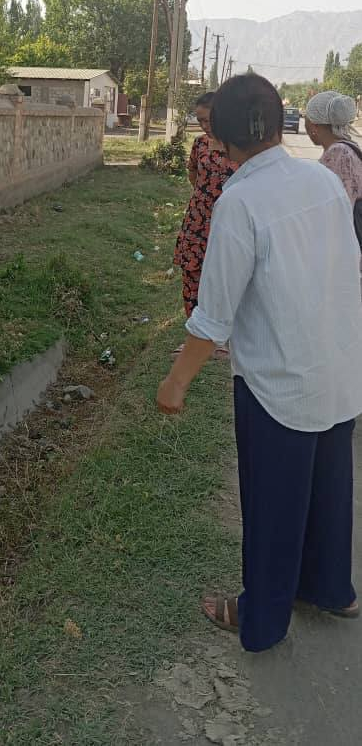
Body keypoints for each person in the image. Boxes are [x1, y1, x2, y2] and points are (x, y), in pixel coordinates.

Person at [157, 75, 362, 653]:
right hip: (338, 367)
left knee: (274, 504)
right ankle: (330, 588)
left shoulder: (240, 202)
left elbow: (213, 315)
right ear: (277, 123)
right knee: (328, 487)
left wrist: (176, 382)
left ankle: (263, 619)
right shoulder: (321, 180)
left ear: (219, 137)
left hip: (279, 383)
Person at [173, 92, 238, 319]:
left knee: (225, 279)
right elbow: (193, 173)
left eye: (207, 120)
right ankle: (195, 328)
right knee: (192, 277)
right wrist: (205, 199)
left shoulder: (241, 147)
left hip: (230, 223)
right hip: (198, 222)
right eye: (199, 121)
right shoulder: (200, 144)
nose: (203, 126)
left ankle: (221, 331)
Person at [305, 91, 362, 274]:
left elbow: (336, 213)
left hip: (345, 259)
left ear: (314, 125)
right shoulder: (347, 148)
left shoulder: (339, 154)